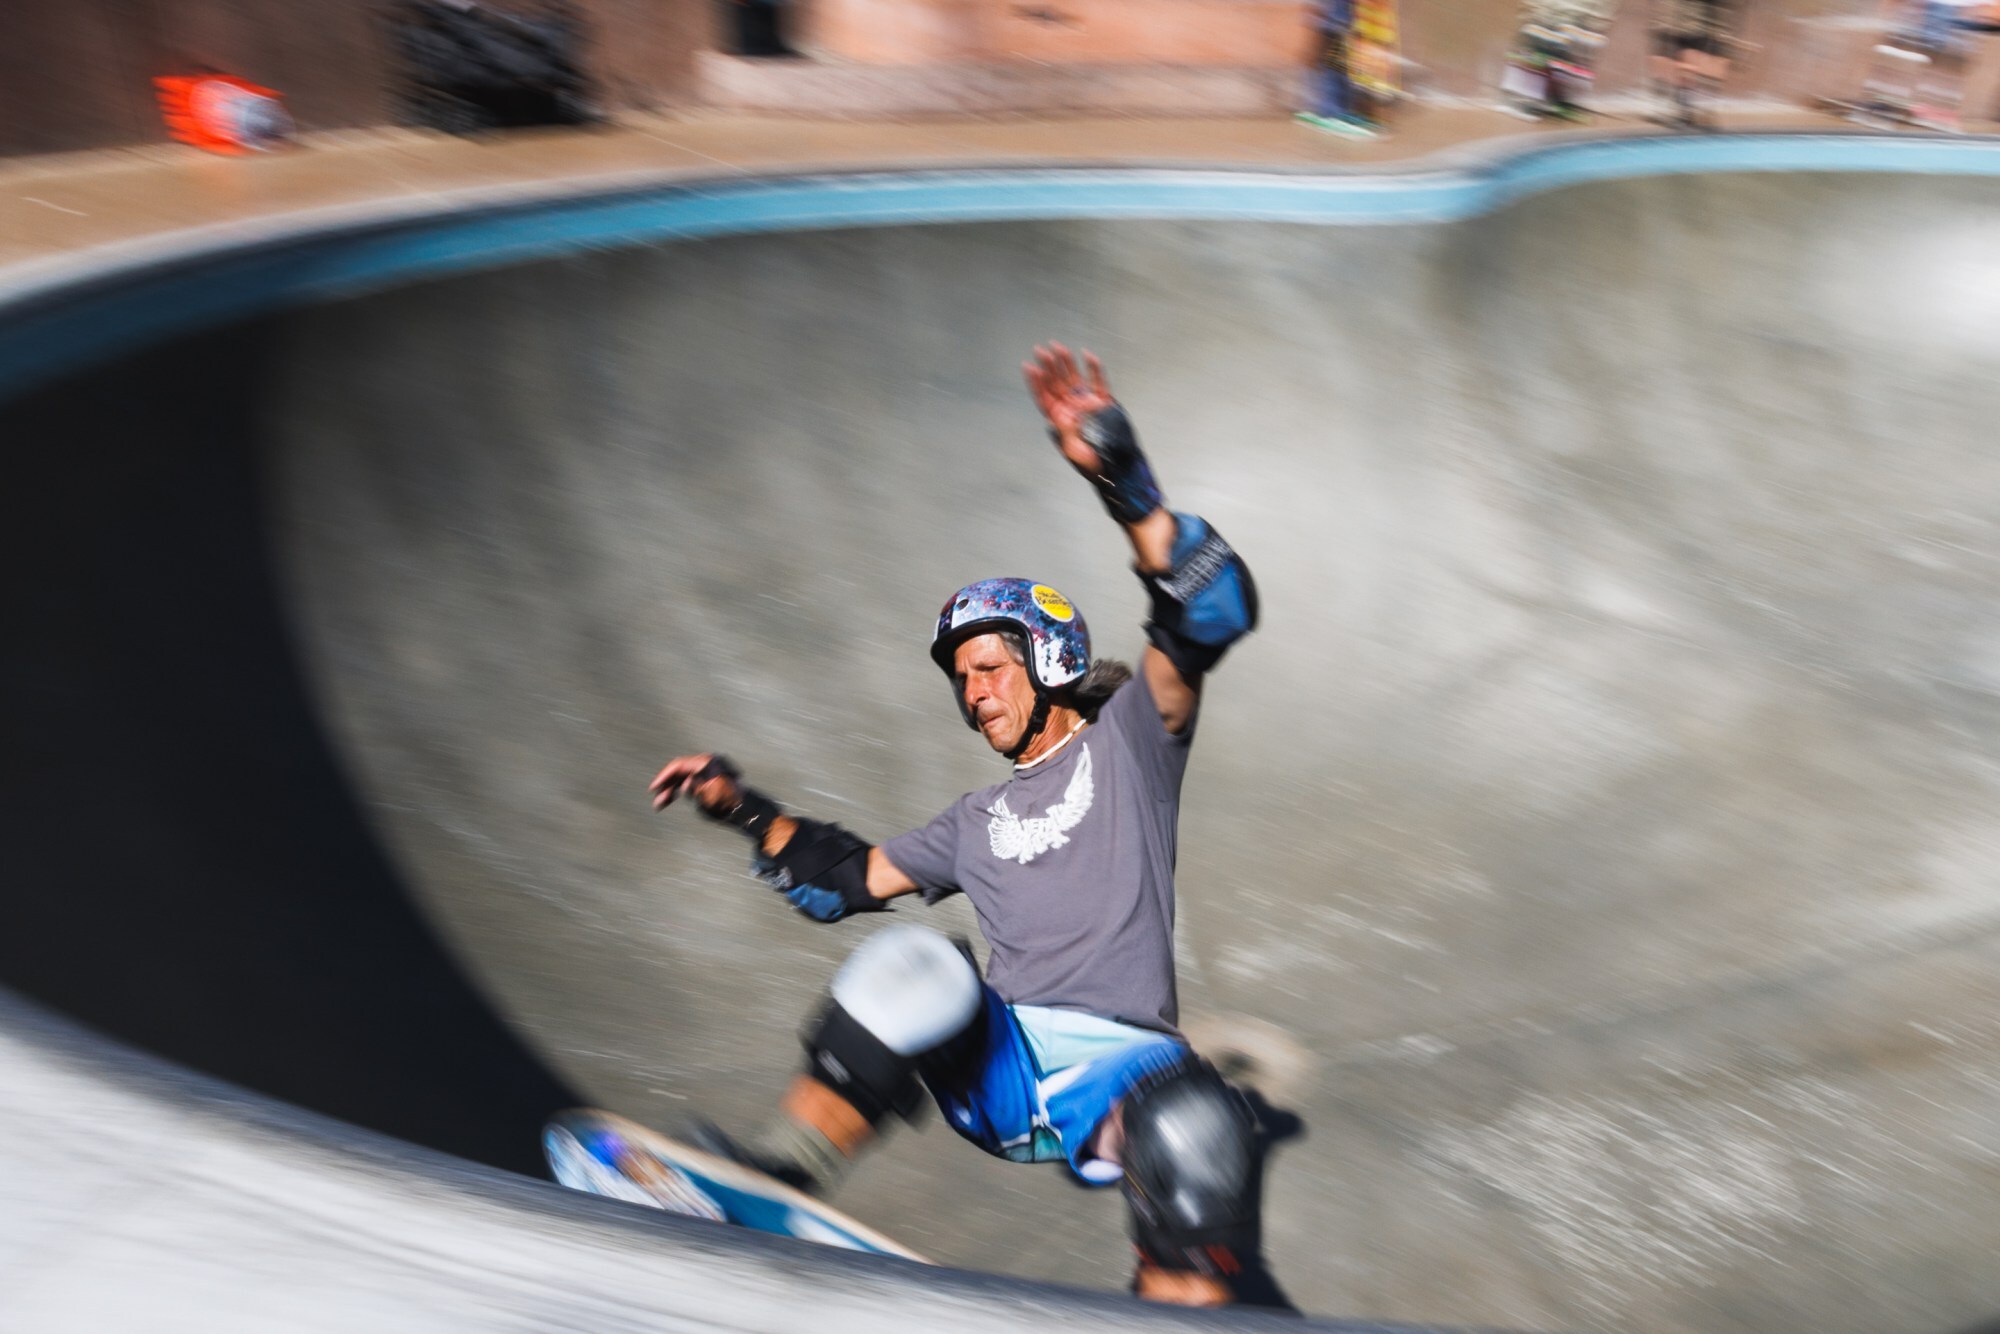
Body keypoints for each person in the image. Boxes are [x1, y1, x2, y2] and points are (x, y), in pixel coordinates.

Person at [648, 344, 1276, 1308]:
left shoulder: (1132, 743)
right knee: (919, 957)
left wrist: (1124, 476)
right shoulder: (973, 821)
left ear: (1051, 659)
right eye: (961, 679)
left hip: (1127, 1073)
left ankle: (1181, 1304)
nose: (972, 692)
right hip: (1006, 1071)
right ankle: (779, 1176)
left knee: (1200, 1123)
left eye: (990, 667)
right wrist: (741, 807)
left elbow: (1210, 610)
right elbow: (843, 880)